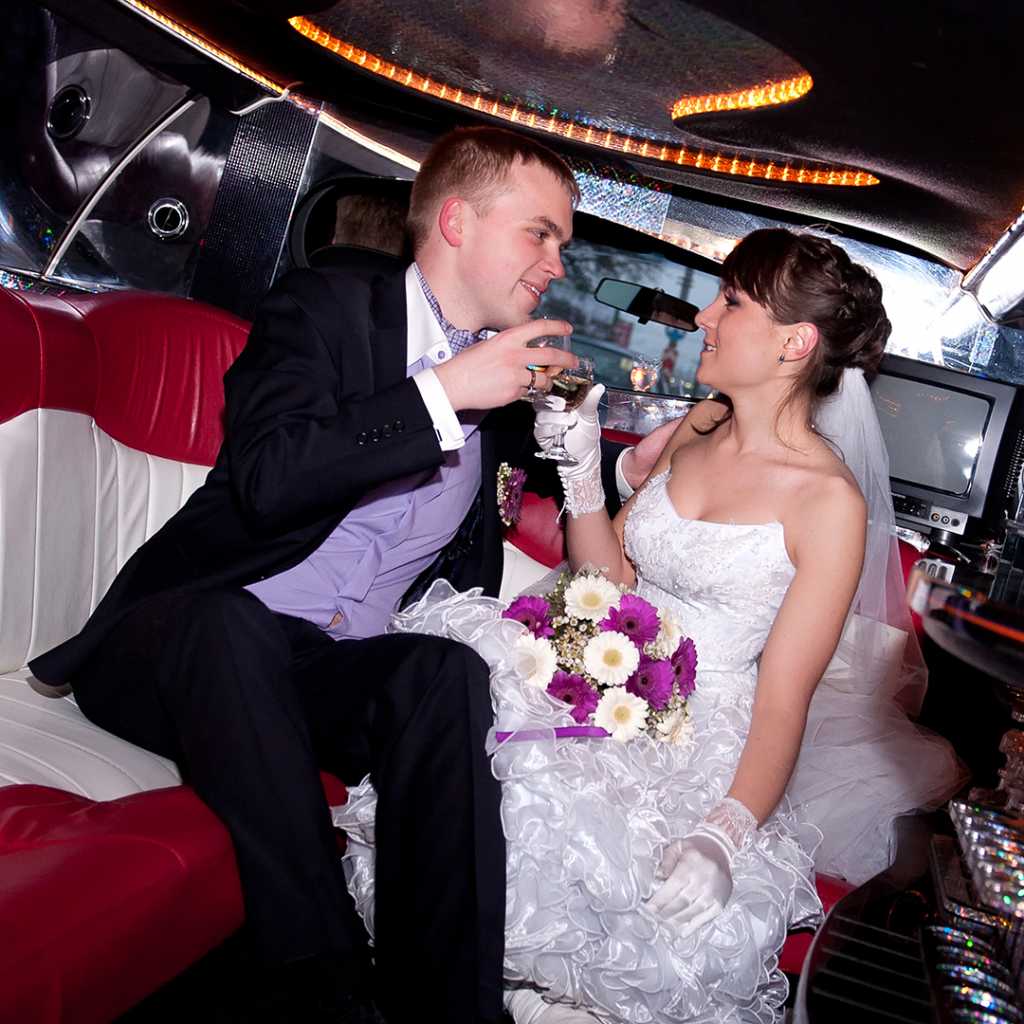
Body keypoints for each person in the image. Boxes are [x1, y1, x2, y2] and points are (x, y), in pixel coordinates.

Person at [27, 126, 655, 1024]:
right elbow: (268, 478)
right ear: (456, 222)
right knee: (232, 626)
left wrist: (627, 462)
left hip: (317, 673)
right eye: (540, 233)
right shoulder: (322, 309)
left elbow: (553, 476)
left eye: (562, 242)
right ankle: (326, 986)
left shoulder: (509, 381)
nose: (557, 263)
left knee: (445, 673)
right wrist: (443, 394)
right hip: (181, 646)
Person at [335, 229, 963, 1022]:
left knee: (583, 895)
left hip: (698, 736)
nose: (703, 317)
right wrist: (579, 472)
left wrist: (724, 834)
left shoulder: (828, 503)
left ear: (794, 343)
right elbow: (608, 585)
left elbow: (783, 700)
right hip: (598, 670)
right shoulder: (701, 424)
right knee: (456, 794)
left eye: (731, 301)